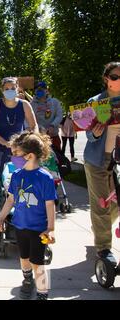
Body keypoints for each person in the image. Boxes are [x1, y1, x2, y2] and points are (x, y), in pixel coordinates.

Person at [0, 131, 57, 300]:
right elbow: (10, 200)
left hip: (39, 229)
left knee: (39, 263)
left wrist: (50, 228)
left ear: (29, 156)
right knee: (24, 258)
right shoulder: (16, 175)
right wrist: (0, 218)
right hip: (20, 226)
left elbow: (50, 205)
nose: (13, 157)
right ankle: (27, 280)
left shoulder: (45, 178)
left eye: (15, 154)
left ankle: (43, 293)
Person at [84, 61, 120, 262]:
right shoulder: (96, 101)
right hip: (99, 160)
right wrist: (96, 134)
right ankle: (104, 248)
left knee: (114, 206)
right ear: (106, 79)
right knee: (100, 205)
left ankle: (100, 227)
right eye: (114, 77)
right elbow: (89, 134)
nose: (118, 80)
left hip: (119, 160)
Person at [0, 77, 38, 200]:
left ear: (17, 88)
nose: (10, 90)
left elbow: (33, 125)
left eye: (13, 88)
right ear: (1, 89)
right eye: (7, 88)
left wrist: (31, 139)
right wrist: (5, 143)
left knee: (19, 172)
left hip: (18, 146)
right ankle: (1, 198)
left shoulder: (24, 104)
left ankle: (19, 197)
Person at [30, 81, 63, 151]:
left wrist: (52, 125)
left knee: (57, 159)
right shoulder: (31, 104)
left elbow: (59, 116)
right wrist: (39, 128)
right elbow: (30, 118)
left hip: (53, 136)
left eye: (42, 89)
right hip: (38, 137)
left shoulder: (55, 102)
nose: (39, 91)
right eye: (37, 90)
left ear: (46, 90)